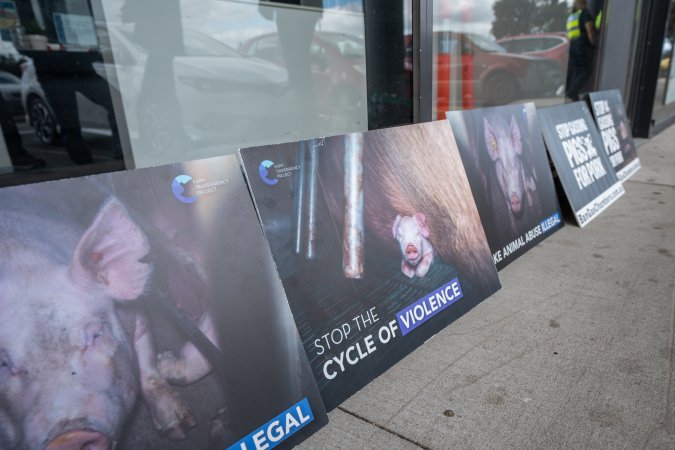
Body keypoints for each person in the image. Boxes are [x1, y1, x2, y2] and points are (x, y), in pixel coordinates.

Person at [565, 0, 595, 101]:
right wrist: (593, 43)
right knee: (586, 70)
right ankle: (573, 92)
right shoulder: (584, 14)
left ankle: (574, 96)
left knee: (577, 71)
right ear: (583, 3)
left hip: (572, 45)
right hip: (581, 45)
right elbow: (589, 30)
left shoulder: (571, 17)